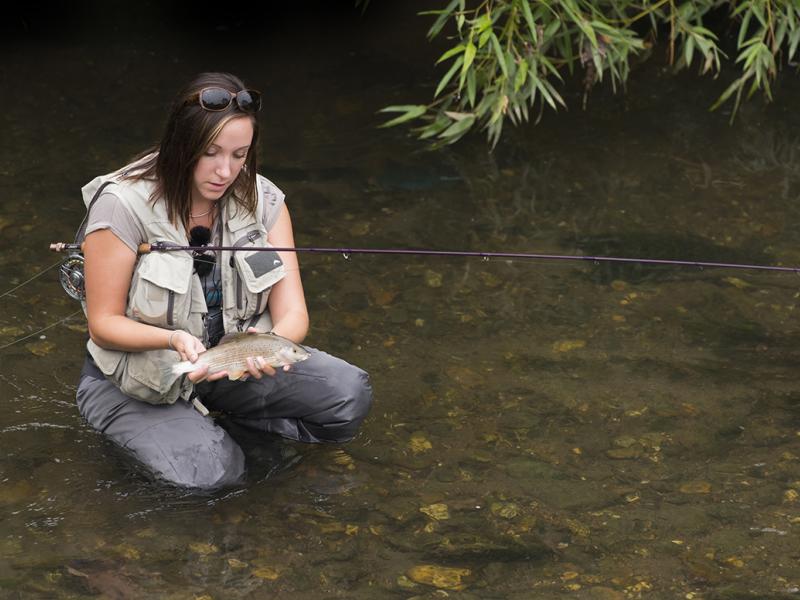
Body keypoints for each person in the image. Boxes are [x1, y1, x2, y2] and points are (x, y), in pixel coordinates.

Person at [75, 72, 373, 490]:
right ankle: (179, 443)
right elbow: (103, 325)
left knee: (347, 393)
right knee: (213, 475)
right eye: (210, 152)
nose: (225, 170)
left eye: (239, 154)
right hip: (136, 383)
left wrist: (265, 351)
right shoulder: (122, 205)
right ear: (182, 144)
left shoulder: (265, 200)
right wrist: (173, 339)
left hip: (229, 368)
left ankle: (229, 436)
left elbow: (293, 313)